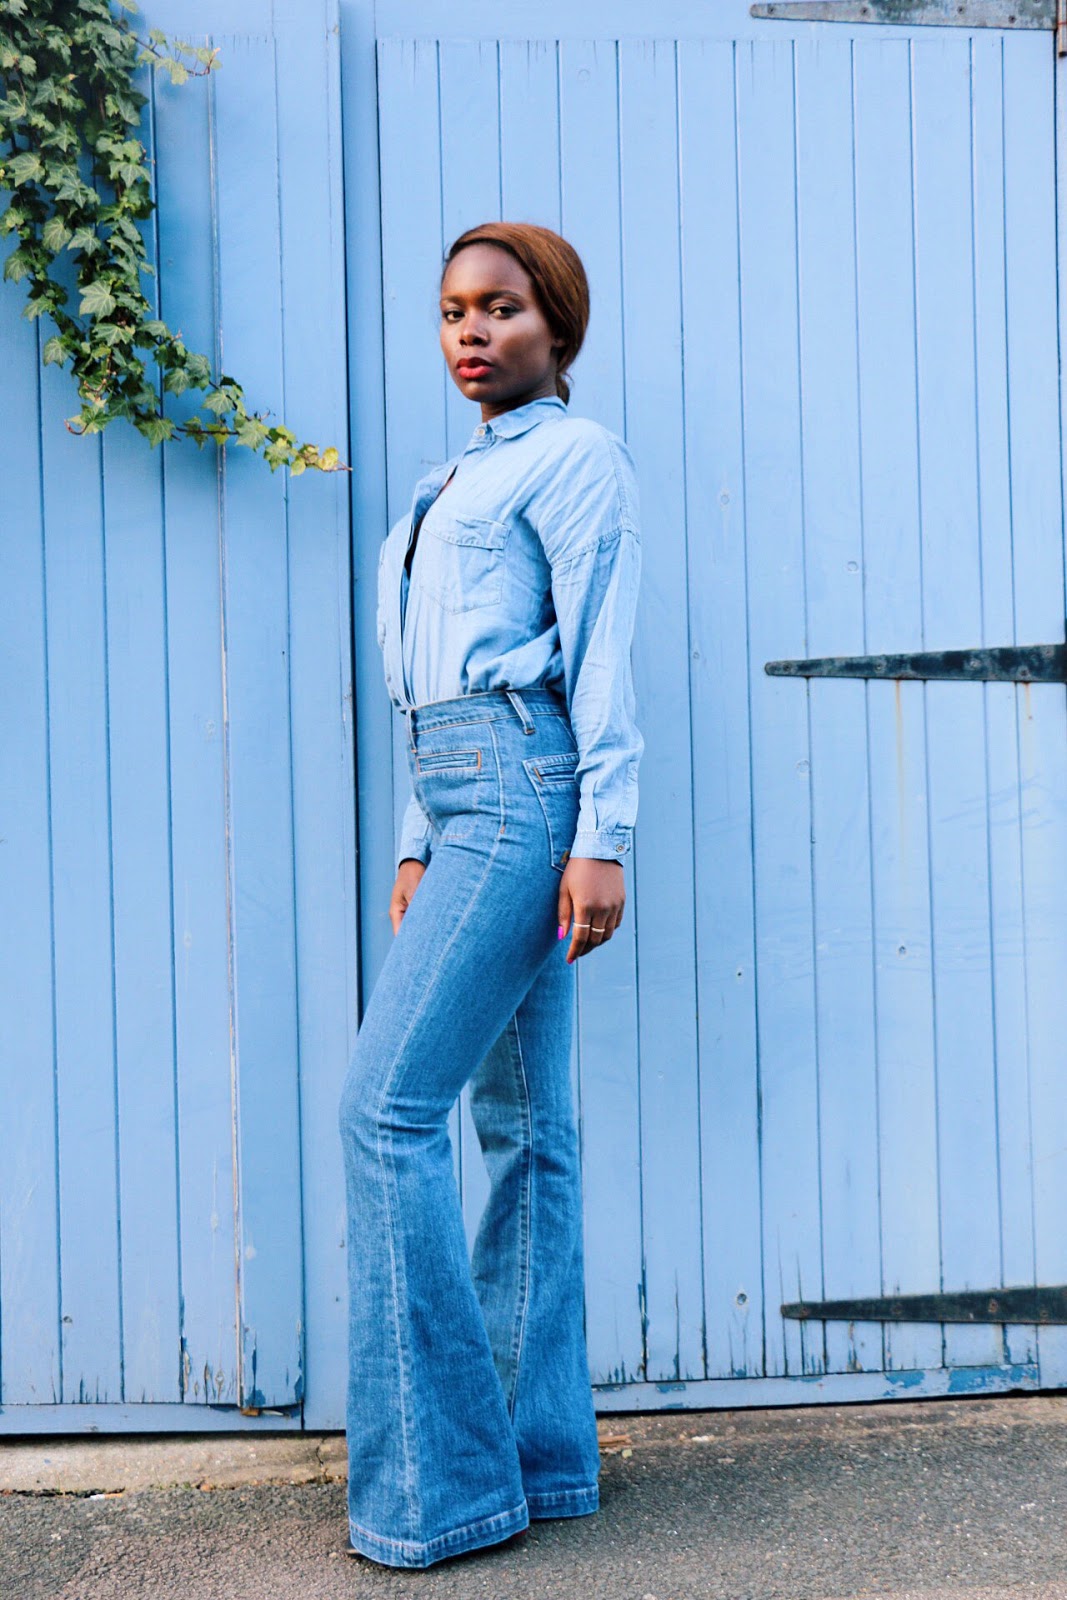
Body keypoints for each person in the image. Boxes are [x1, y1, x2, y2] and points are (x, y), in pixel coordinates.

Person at [337, 220, 643, 1569]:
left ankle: (440, 1485)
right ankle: (533, 1459)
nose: (472, 331)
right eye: (455, 310)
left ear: (555, 326)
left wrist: (603, 835)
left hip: (526, 792)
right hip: (460, 790)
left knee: (384, 1113)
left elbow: (600, 651)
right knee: (525, 1127)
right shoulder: (449, 480)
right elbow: (425, 691)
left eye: (502, 308)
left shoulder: (577, 458)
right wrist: (416, 839)